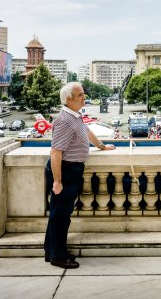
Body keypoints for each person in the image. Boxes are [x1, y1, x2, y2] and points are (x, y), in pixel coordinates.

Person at [44, 82, 115, 269]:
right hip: (65, 171)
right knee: (61, 216)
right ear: (69, 99)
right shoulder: (64, 120)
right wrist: (58, 181)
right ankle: (58, 256)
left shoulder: (74, 116)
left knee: (58, 214)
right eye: (80, 95)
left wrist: (101, 146)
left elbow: (87, 131)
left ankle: (50, 250)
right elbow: (56, 152)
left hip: (71, 170)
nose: (84, 97)